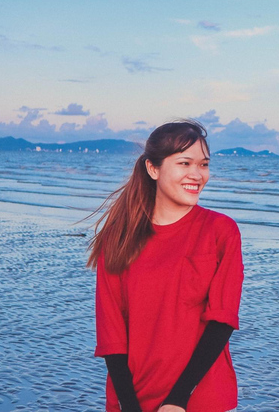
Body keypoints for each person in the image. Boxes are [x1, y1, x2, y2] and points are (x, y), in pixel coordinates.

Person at [87, 120, 243, 412]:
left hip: (199, 400)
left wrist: (178, 400)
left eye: (204, 164)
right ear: (153, 169)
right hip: (132, 399)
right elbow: (112, 336)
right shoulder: (119, 238)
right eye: (184, 163)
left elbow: (222, 320)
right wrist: (129, 406)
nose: (196, 174)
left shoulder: (221, 231)